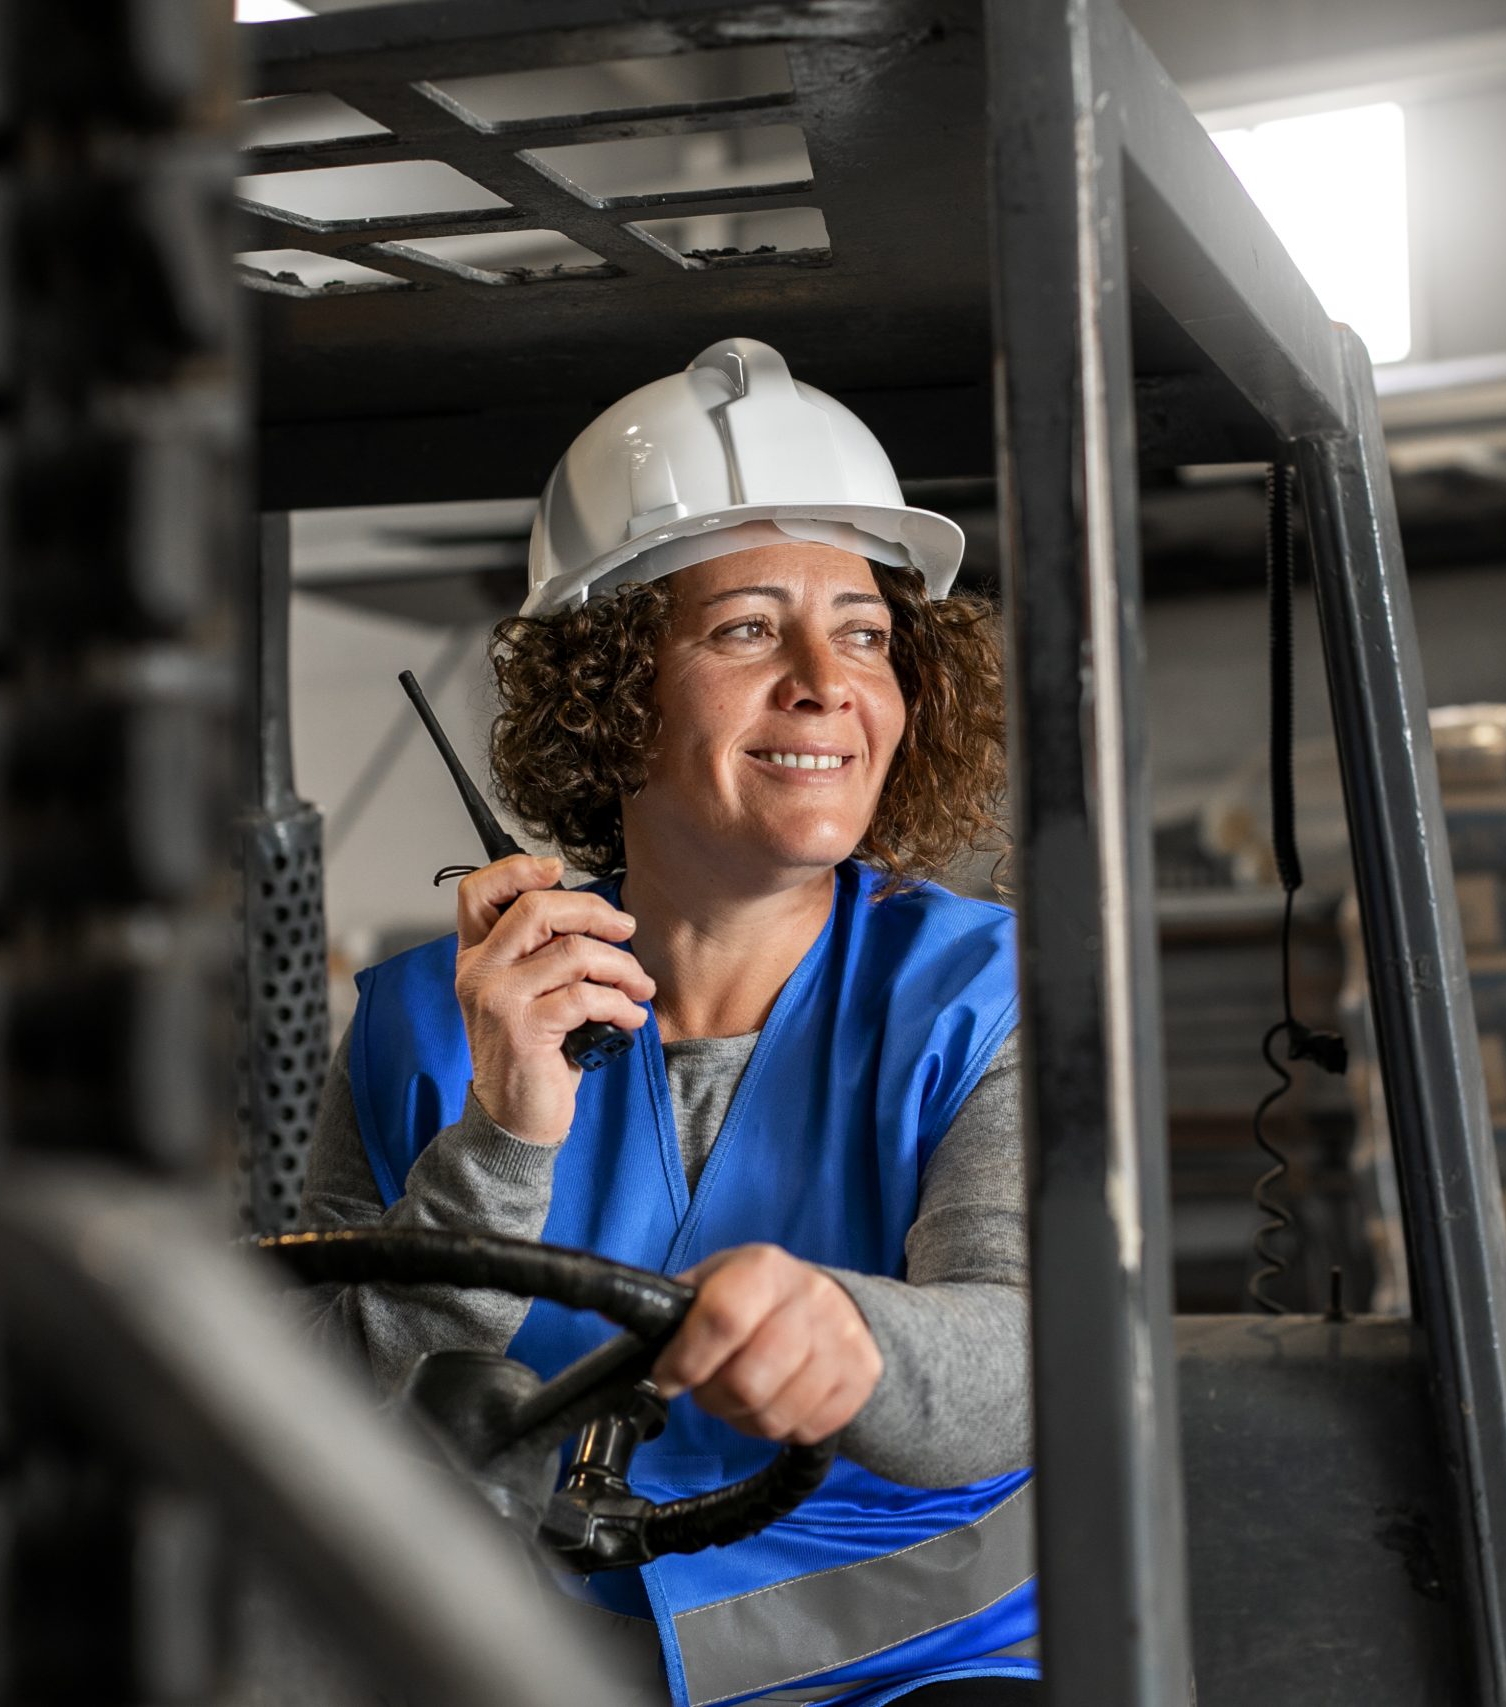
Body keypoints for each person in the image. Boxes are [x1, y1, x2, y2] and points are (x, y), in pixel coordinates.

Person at [304, 338, 1036, 1707]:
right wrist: (502, 1147)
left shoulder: (980, 996)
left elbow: (1020, 1353)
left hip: (922, 1665)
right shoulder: (425, 1023)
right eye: (748, 627)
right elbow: (307, 1409)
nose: (827, 678)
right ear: (614, 689)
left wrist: (851, 1341)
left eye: (867, 633)